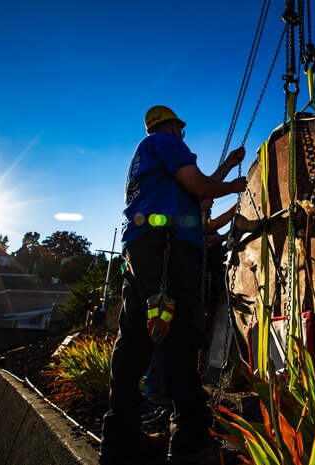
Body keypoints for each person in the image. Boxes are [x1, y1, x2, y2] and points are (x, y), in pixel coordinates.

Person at [100, 105, 246, 465]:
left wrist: (225, 168)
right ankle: (189, 442)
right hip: (168, 247)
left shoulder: (146, 158)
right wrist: (234, 186)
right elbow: (199, 187)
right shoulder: (165, 141)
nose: (182, 134)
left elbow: (196, 190)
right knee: (180, 332)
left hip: (141, 248)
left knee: (134, 337)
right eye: (180, 129)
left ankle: (121, 440)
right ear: (171, 126)